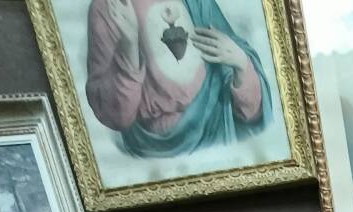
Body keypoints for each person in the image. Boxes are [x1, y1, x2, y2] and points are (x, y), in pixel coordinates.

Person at [86, 0, 272, 159]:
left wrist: (241, 64)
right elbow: (117, 117)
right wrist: (128, 48)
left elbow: (251, 112)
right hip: (155, 159)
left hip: (217, 139)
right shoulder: (108, 7)